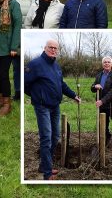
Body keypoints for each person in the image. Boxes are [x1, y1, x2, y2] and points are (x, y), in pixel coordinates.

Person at [24, 39, 81, 180]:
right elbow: (25, 83)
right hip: (42, 107)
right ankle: (47, 173)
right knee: (46, 138)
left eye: (56, 48)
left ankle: (44, 165)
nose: (54, 50)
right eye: (51, 47)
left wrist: (74, 95)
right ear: (45, 48)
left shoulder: (56, 66)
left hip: (55, 106)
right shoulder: (35, 64)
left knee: (55, 137)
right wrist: (36, 97)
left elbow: (62, 84)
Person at [12, 0, 37, 101]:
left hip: (32, 37)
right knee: (17, 68)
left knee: (31, 67)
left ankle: (31, 91)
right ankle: (18, 91)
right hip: (17, 38)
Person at [91, 56, 112, 145]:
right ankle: (106, 141)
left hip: (110, 104)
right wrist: (94, 86)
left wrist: (102, 101)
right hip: (101, 105)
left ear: (111, 64)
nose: (106, 63)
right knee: (103, 124)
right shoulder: (99, 75)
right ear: (102, 64)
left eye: (108, 62)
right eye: (105, 62)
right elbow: (92, 88)